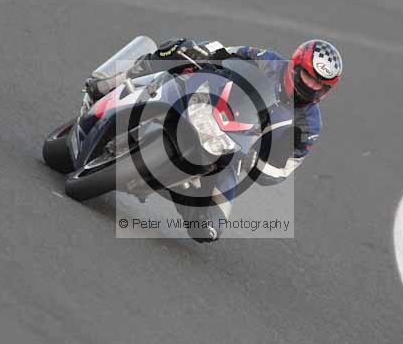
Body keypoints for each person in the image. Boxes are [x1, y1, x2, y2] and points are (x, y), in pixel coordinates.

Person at [84, 38, 343, 243]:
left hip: (231, 153)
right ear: (295, 66)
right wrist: (204, 53)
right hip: (206, 104)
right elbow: (226, 53)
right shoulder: (268, 61)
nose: (311, 86)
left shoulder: (309, 125)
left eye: (320, 84)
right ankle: (112, 84)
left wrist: (258, 161)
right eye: (308, 76)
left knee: (208, 229)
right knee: (176, 50)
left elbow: (282, 169)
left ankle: (175, 183)